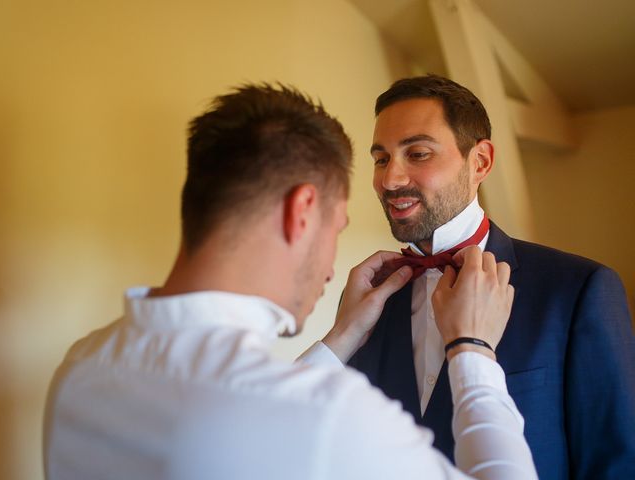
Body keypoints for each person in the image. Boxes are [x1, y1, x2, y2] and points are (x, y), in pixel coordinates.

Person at [43, 83, 537, 479]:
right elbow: (283, 409)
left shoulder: (81, 367)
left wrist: (340, 338)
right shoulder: (328, 416)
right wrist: (472, 352)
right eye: (336, 227)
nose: (330, 269)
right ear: (302, 212)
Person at [311, 75, 635, 480]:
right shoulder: (365, 301)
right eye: (381, 159)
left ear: (479, 161)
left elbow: (616, 464)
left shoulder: (578, 290)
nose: (389, 180)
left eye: (418, 153)